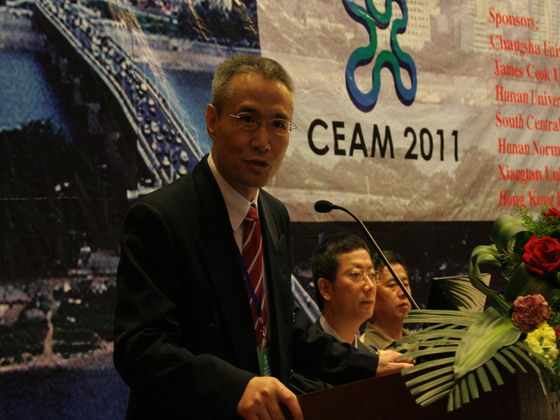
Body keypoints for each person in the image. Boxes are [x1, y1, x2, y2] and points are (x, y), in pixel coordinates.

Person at [113, 54, 412, 420]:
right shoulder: (161, 217)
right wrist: (233, 387)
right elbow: (140, 349)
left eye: (278, 124)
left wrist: (367, 364)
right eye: (247, 119)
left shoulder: (273, 215)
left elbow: (283, 326)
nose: (263, 141)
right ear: (212, 121)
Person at [312, 232, 378, 350]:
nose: (370, 286)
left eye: (372, 274)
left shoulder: (368, 355)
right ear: (325, 289)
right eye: (356, 274)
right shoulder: (304, 354)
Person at [360, 251, 413, 352]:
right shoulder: (364, 353)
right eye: (392, 285)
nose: (403, 293)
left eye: (405, 284)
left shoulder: (421, 345)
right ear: (371, 294)